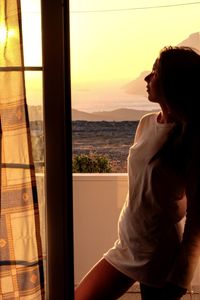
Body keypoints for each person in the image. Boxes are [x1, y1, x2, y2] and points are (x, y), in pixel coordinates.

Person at [75, 46, 200, 300]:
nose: (147, 78)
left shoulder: (190, 141)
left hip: (158, 255)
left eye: (155, 72)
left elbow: (196, 218)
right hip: (128, 244)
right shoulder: (145, 123)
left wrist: (181, 276)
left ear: (172, 83)